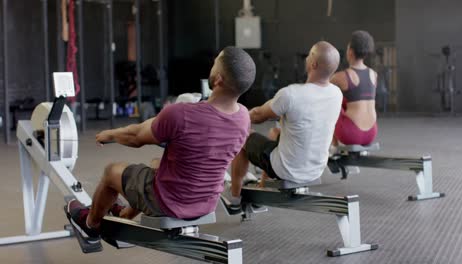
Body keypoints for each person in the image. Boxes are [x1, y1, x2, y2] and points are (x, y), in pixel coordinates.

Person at [66, 46, 256, 243]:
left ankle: (91, 225)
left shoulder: (180, 113)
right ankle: (124, 216)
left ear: (218, 80)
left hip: (168, 202)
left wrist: (110, 134)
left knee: (111, 171)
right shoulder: (244, 118)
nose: (212, 66)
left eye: (216, 62)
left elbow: (135, 137)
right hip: (206, 204)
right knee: (156, 164)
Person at [224, 41, 343, 212]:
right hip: (316, 169)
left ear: (313, 63)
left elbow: (257, 115)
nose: (307, 58)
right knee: (275, 132)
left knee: (243, 135)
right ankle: (263, 186)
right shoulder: (336, 93)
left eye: (309, 55)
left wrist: (233, 118)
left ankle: (234, 197)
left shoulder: (291, 94)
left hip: (288, 169)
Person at [331, 30, 378, 146]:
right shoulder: (374, 74)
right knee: (346, 101)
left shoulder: (342, 76)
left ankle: (332, 147)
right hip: (371, 133)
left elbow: (320, 85)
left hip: (351, 133)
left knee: (330, 102)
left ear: (350, 52)